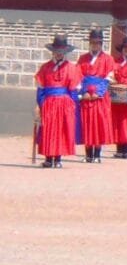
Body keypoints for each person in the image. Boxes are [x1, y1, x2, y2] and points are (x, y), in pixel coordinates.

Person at [34, 34, 82, 168]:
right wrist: (41, 103)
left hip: (64, 103)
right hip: (48, 102)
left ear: (65, 52)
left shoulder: (72, 68)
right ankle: (49, 158)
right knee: (48, 129)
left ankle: (58, 158)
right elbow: (40, 89)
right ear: (53, 52)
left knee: (61, 130)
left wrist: (72, 105)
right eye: (57, 51)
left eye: (61, 52)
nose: (59, 54)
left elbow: (73, 90)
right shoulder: (45, 68)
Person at [76, 28, 114, 163]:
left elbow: (109, 77)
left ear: (101, 43)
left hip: (100, 96)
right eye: (93, 42)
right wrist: (84, 92)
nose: (95, 45)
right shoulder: (82, 58)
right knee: (87, 123)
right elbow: (78, 76)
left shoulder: (108, 59)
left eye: (97, 43)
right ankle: (88, 154)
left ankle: (97, 154)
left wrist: (99, 92)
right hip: (86, 95)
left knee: (99, 124)